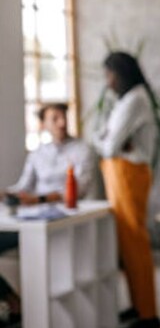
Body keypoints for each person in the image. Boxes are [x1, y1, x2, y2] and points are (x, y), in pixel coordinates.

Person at [93, 52, 160, 328]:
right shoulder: (129, 99)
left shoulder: (134, 99)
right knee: (128, 242)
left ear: (121, 73)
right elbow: (109, 140)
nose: (107, 82)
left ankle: (148, 314)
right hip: (122, 174)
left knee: (134, 242)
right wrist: (108, 138)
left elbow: (106, 145)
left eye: (110, 75)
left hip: (128, 175)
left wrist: (104, 137)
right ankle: (138, 306)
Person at [0, 103, 95, 252]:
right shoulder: (37, 154)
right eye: (55, 118)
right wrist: (5, 194)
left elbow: (79, 190)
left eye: (64, 117)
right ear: (43, 124)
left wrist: (39, 200)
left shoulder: (82, 149)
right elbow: (23, 187)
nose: (62, 123)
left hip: (67, 215)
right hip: (36, 216)